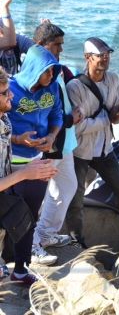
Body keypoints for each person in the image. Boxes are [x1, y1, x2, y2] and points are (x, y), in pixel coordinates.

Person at [66, 37, 119, 247]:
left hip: (105, 147)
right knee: (76, 198)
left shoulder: (113, 79)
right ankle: (76, 237)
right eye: (100, 55)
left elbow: (116, 112)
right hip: (81, 150)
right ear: (87, 58)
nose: (105, 59)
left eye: (107, 55)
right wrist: (108, 119)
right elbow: (78, 127)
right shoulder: (75, 87)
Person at [0, 64, 58, 286]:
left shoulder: (4, 119)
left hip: (5, 186)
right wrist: (25, 173)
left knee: (25, 219)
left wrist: (19, 140)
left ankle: (20, 270)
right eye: (5, 93)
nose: (12, 96)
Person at [31, 21, 82, 262]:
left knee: (67, 186)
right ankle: (32, 246)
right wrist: (71, 119)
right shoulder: (37, 72)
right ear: (41, 45)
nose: (61, 49)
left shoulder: (56, 68)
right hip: (48, 143)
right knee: (34, 197)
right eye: (56, 45)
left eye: (62, 44)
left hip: (64, 142)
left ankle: (46, 233)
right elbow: (41, 110)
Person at [8, 44, 63, 266]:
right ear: (33, 68)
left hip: (38, 161)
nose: (50, 75)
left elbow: (57, 115)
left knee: (30, 216)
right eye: (46, 71)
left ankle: (23, 266)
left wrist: (51, 136)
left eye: (53, 70)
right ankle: (7, 261)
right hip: (11, 163)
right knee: (9, 217)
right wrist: (17, 139)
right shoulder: (9, 88)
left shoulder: (53, 87)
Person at [0, 0, 33, 75]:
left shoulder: (17, 39)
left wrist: (47, 37)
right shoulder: (11, 40)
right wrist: (4, 7)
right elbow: (9, 41)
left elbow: (37, 50)